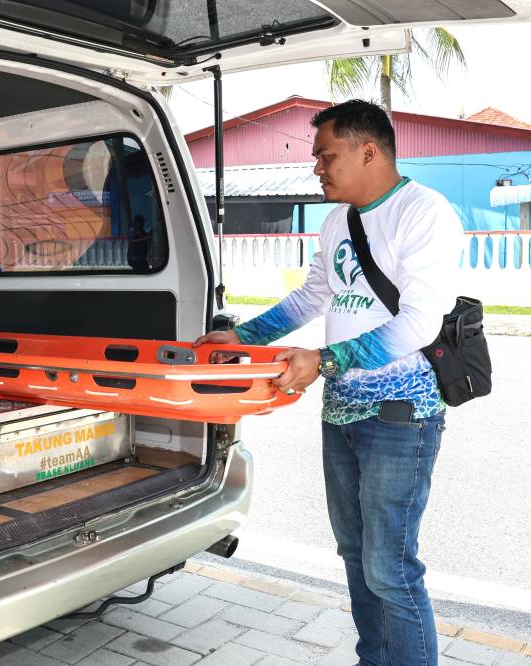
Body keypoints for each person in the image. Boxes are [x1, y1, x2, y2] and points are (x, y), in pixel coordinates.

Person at [195, 99, 461, 666]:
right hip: (340, 412)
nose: (316, 167)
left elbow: (420, 321)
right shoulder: (338, 220)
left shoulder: (424, 211)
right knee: (355, 555)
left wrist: (328, 359)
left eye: (326, 155)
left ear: (369, 150)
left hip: (400, 412)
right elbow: (314, 295)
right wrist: (246, 338)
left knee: (391, 567)